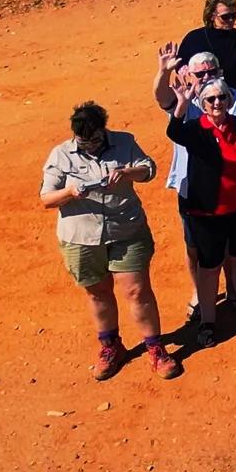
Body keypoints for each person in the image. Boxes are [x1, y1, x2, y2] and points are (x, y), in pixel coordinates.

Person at [41, 101, 179, 380]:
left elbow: (148, 169)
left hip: (126, 230)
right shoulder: (61, 154)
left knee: (137, 291)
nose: (89, 146)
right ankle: (110, 346)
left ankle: (155, 348)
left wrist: (128, 173)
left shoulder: (124, 142)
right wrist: (69, 191)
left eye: (94, 139)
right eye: (83, 141)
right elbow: (46, 198)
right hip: (82, 238)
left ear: (103, 130)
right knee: (98, 292)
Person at [152, 43, 236, 332]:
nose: (216, 100)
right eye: (199, 74)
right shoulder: (187, 105)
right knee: (200, 253)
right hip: (197, 198)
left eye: (211, 72)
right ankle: (203, 305)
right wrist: (164, 74)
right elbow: (167, 111)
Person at [178, 0, 236, 93]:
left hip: (233, 97)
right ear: (211, 16)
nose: (231, 20)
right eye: (225, 17)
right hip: (203, 98)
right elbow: (180, 65)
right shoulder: (194, 38)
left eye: (234, 15)